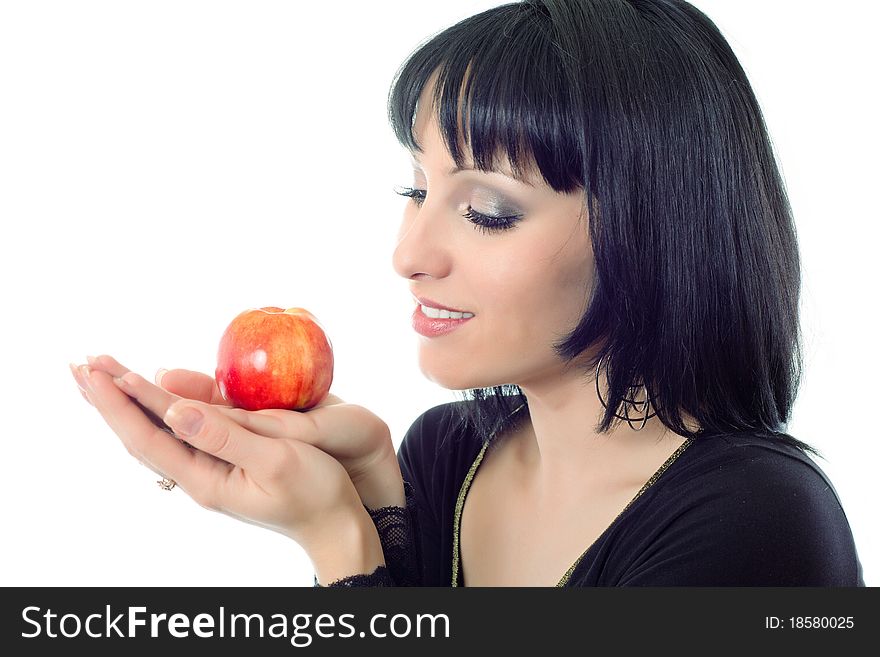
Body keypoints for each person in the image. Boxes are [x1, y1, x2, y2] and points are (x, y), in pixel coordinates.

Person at [70, 0, 863, 586]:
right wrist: (378, 489)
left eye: (488, 210)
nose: (409, 255)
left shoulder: (756, 523)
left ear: (649, 231)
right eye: (415, 190)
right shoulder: (448, 453)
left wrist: (340, 544)